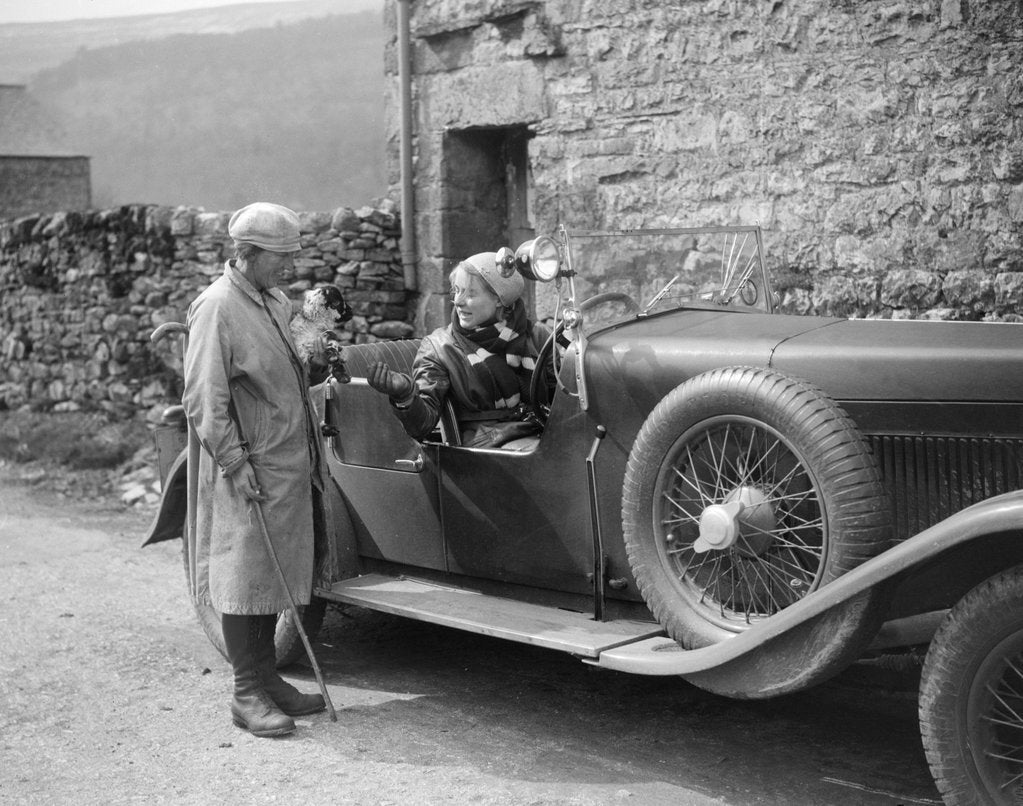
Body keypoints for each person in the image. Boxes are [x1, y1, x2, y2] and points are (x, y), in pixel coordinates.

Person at [181, 202, 326, 738]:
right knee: (244, 574)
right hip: (251, 462)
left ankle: (267, 677)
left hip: (288, 460)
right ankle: (245, 692)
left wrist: (314, 362)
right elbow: (203, 398)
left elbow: (282, 374)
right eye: (281, 256)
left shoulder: (274, 300)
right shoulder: (217, 307)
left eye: (293, 254)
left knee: (274, 573)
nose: (290, 266)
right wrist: (235, 461)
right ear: (247, 253)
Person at [367, 251, 550, 448]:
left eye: (470, 293)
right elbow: (422, 425)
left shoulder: (536, 335)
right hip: (486, 448)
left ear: (499, 299)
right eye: (457, 290)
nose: (458, 301)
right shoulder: (440, 347)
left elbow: (564, 394)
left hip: (541, 431)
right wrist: (405, 395)